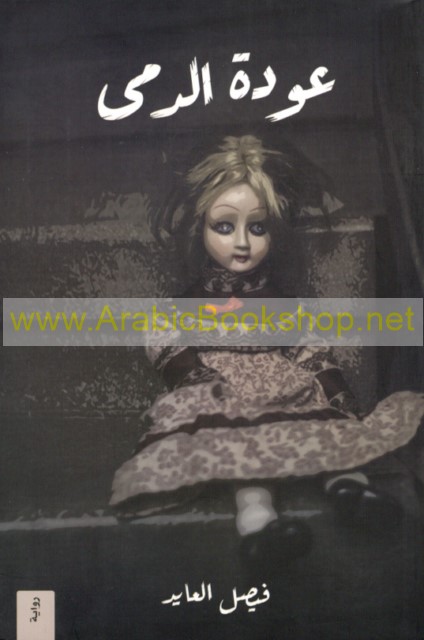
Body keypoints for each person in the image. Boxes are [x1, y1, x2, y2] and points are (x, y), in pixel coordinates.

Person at [109, 135, 424, 561]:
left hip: (287, 388)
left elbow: (307, 347)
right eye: (224, 227)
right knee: (248, 463)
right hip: (225, 395)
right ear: (199, 227)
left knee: (329, 437)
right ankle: (260, 527)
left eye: (257, 227)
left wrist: (334, 389)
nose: (243, 242)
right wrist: (195, 378)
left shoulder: (280, 302)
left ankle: (352, 493)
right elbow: (163, 338)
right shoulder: (185, 304)